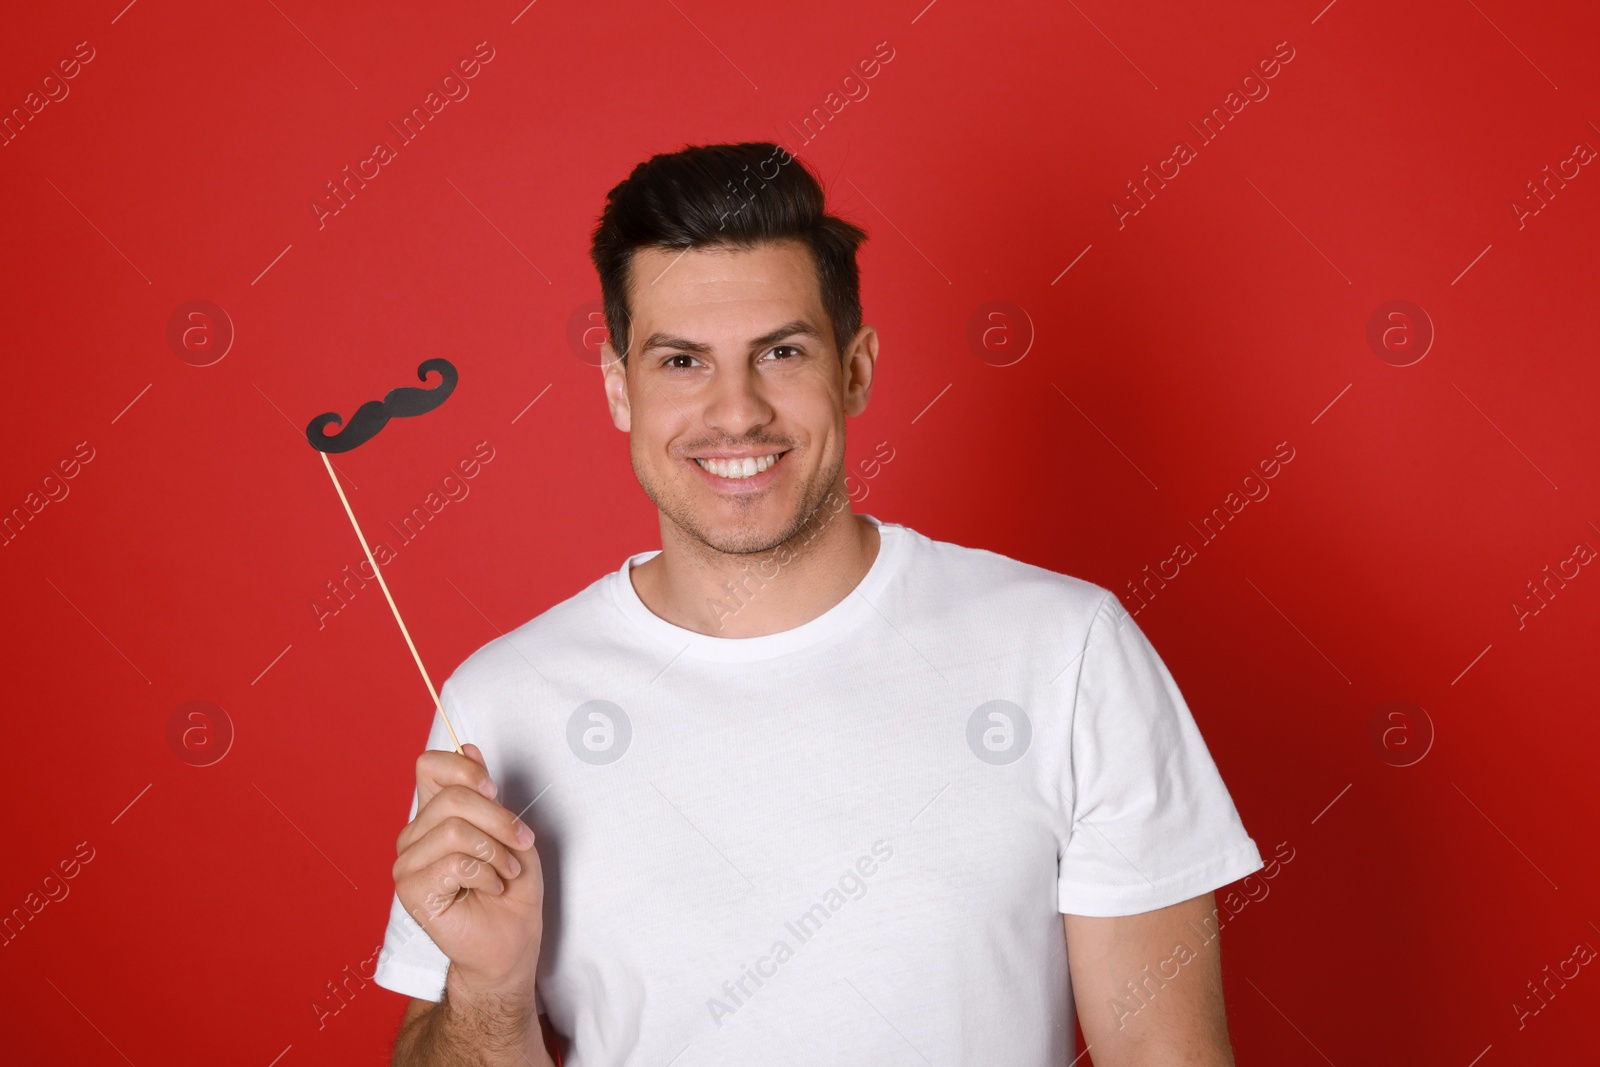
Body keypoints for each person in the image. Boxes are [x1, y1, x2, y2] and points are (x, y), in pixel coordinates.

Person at [372, 141, 1265, 1066]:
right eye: (681, 360)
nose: (737, 411)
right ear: (617, 387)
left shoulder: (1067, 651)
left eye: (781, 352)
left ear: (856, 369)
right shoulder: (503, 705)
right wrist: (487, 987)